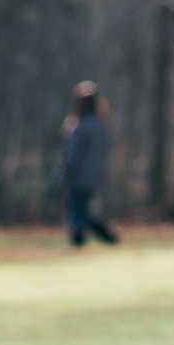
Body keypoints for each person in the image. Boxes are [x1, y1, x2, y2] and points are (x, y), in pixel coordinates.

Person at [61, 82, 120, 246]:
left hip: (79, 175)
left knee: (77, 210)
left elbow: (72, 155)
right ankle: (84, 236)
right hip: (97, 175)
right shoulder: (102, 125)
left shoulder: (79, 126)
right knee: (82, 208)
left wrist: (63, 174)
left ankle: (97, 234)